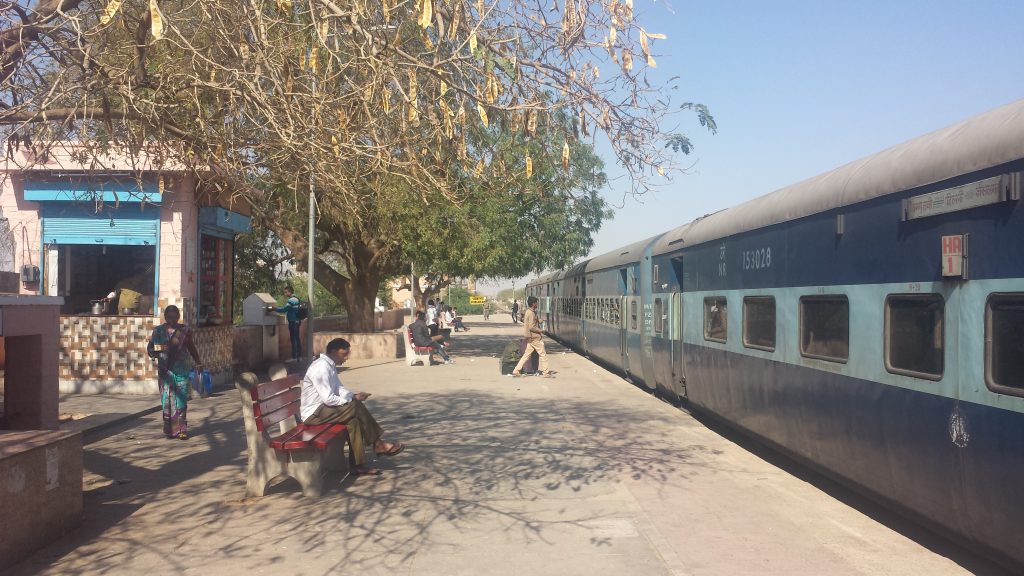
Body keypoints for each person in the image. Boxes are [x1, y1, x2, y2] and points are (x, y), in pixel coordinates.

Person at [300, 338, 405, 475]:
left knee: (353, 422)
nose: (347, 358)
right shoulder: (321, 367)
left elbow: (338, 388)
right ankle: (378, 444)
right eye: (344, 354)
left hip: (325, 410)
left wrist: (352, 396)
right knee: (355, 406)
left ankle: (357, 466)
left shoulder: (329, 365)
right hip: (314, 414)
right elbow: (328, 399)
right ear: (333, 351)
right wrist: (352, 400)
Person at [147, 305, 203, 439]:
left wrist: (198, 362)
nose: (171, 319)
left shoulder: (184, 330)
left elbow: (191, 347)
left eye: (174, 317)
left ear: (178, 317)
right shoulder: (158, 331)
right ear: (165, 317)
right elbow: (150, 348)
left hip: (181, 371)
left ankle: (182, 429)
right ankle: (170, 430)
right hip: (165, 372)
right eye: (168, 317)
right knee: (166, 401)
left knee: (181, 399)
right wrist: (156, 351)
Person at [512, 296, 552, 377]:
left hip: (530, 338)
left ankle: (516, 370)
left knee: (526, 355)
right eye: (536, 302)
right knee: (543, 354)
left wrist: (541, 320)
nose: (537, 304)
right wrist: (542, 331)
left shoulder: (530, 312)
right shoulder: (531, 313)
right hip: (535, 338)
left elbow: (534, 321)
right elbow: (532, 327)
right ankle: (546, 372)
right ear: (533, 304)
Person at [275, 286, 302, 362]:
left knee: (294, 339)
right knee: (297, 338)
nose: (285, 293)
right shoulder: (297, 298)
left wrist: (274, 309)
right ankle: (298, 357)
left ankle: (294, 357)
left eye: (286, 292)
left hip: (293, 322)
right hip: (297, 321)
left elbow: (284, 309)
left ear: (290, 292)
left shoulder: (292, 300)